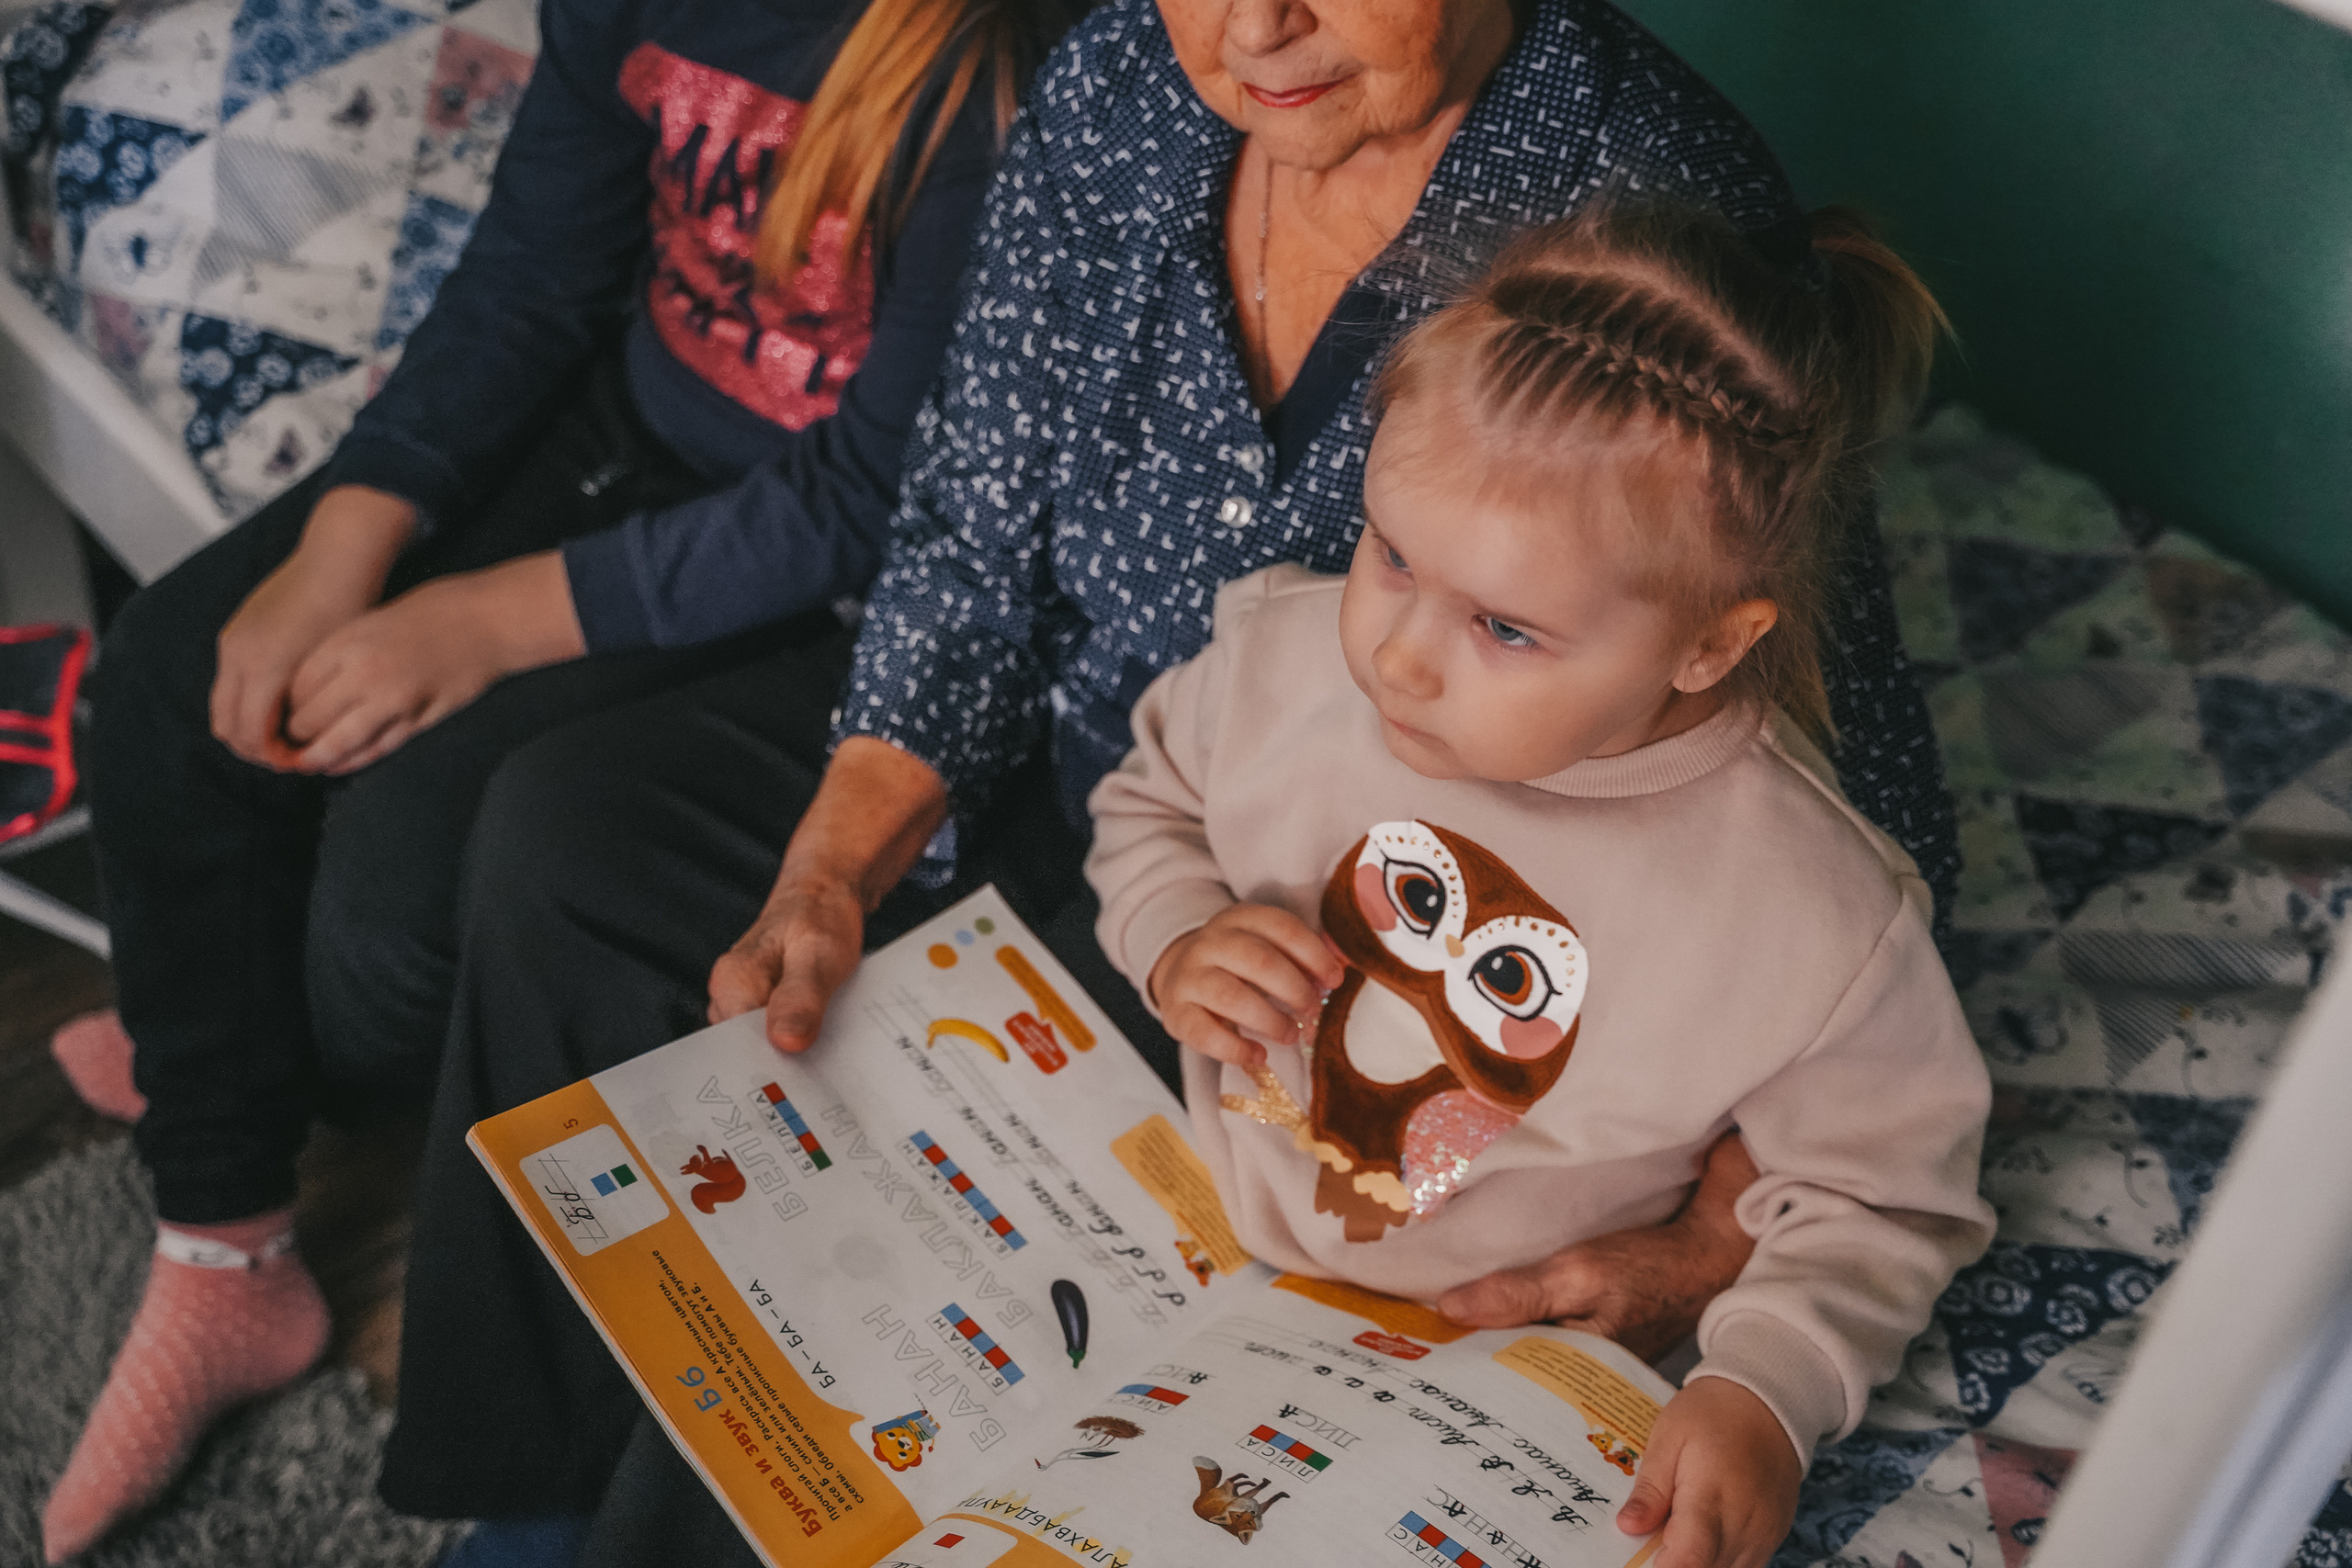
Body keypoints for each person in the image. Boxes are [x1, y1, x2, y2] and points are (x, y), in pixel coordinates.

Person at [381, 0, 1964, 1553]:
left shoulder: (1650, 202)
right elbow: (978, 516)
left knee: (947, 1319)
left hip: (1251, 891)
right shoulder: (1123, 87)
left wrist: (1717, 1277)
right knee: (570, 837)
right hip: (1152, 779)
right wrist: (836, 863)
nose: (1253, 28)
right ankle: (544, 1491)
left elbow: (1831, 849)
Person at [40, 0, 1083, 1557]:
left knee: (398, 877)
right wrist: (356, 534)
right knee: (176, 676)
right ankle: (226, 1221)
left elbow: (878, 493)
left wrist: (482, 625)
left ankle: (229, 1043)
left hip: (804, 553)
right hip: (625, 416)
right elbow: (531, 269)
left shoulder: (986, 77)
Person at [1086, 202, 1995, 1567]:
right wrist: (1176, 935)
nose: (1396, 657)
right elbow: (1148, 795)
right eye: (1390, 554)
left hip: (1484, 1368)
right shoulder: (1282, 654)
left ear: (1708, 643)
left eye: (1505, 627)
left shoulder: (1812, 912)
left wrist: (1766, 1389)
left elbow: (1881, 1197)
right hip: (1177, 1229)